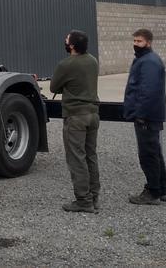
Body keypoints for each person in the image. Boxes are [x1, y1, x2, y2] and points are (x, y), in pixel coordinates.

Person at [50, 30, 101, 213]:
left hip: (76, 116)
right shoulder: (93, 61)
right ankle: (94, 197)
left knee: (76, 158)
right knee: (90, 156)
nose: (64, 41)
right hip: (93, 114)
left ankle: (83, 200)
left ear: (71, 45)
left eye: (66, 39)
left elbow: (54, 87)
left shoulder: (66, 64)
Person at [123, 28, 166, 205]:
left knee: (148, 154)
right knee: (154, 151)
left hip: (147, 116)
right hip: (150, 114)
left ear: (148, 43)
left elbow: (148, 91)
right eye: (134, 41)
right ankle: (161, 188)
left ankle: (152, 192)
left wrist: (141, 114)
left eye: (139, 41)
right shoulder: (145, 60)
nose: (136, 44)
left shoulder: (149, 62)